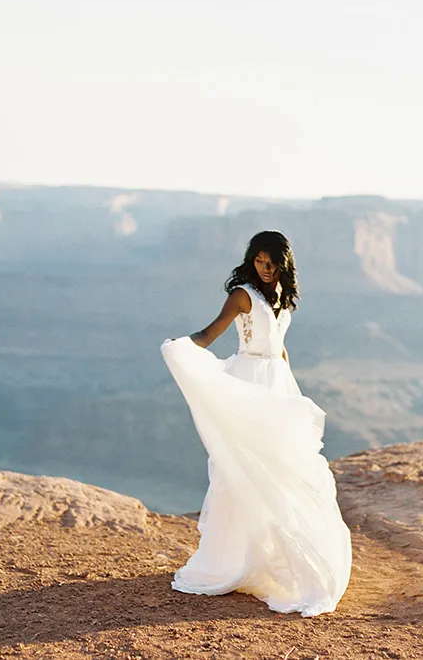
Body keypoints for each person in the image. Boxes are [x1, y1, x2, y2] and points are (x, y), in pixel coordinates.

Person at [160, 230, 352, 617]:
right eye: (260, 261)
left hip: (276, 382)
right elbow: (210, 333)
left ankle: (275, 558)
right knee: (241, 470)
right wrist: (179, 347)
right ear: (252, 260)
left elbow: (280, 347)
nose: (266, 268)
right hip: (248, 382)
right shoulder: (242, 294)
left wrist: (292, 390)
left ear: (284, 263)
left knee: (282, 471)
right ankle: (234, 560)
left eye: (272, 262)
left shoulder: (281, 296)